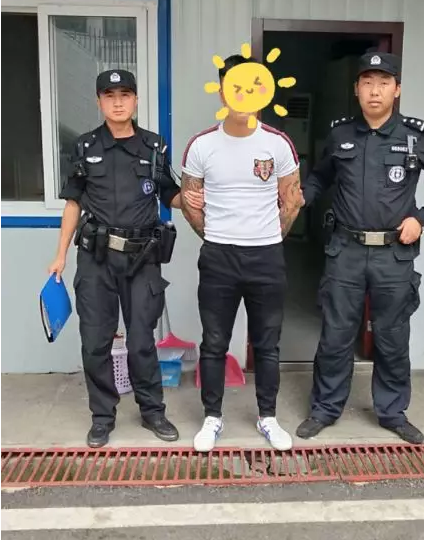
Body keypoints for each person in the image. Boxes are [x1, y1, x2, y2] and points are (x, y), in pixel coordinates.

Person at [296, 52, 424, 444]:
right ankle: (324, 409)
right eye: (368, 83)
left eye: (384, 83)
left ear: (397, 90)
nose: (375, 91)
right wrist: (300, 198)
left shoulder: (416, 135)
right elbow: (319, 177)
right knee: (336, 335)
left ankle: (392, 412)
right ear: (356, 89)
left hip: (394, 255)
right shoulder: (340, 134)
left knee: (391, 336)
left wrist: (423, 218)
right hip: (346, 251)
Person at [48, 69, 203, 448]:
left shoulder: (153, 146)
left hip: (141, 259)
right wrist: (60, 255)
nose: (118, 103)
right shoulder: (85, 146)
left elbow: (169, 193)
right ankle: (102, 417)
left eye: (125, 95)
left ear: (135, 100)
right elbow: (73, 203)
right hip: (96, 260)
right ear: (99, 101)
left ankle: (153, 412)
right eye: (109, 95)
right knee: (95, 343)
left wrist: (190, 199)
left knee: (142, 342)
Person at [181, 54, 304, 452]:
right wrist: (215, 235)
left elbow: (292, 201)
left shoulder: (277, 143)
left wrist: (268, 237)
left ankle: (268, 417)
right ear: (221, 91)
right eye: (234, 86)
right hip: (219, 257)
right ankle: (212, 417)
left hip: (266, 257)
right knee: (214, 342)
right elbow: (189, 201)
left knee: (267, 343)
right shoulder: (202, 145)